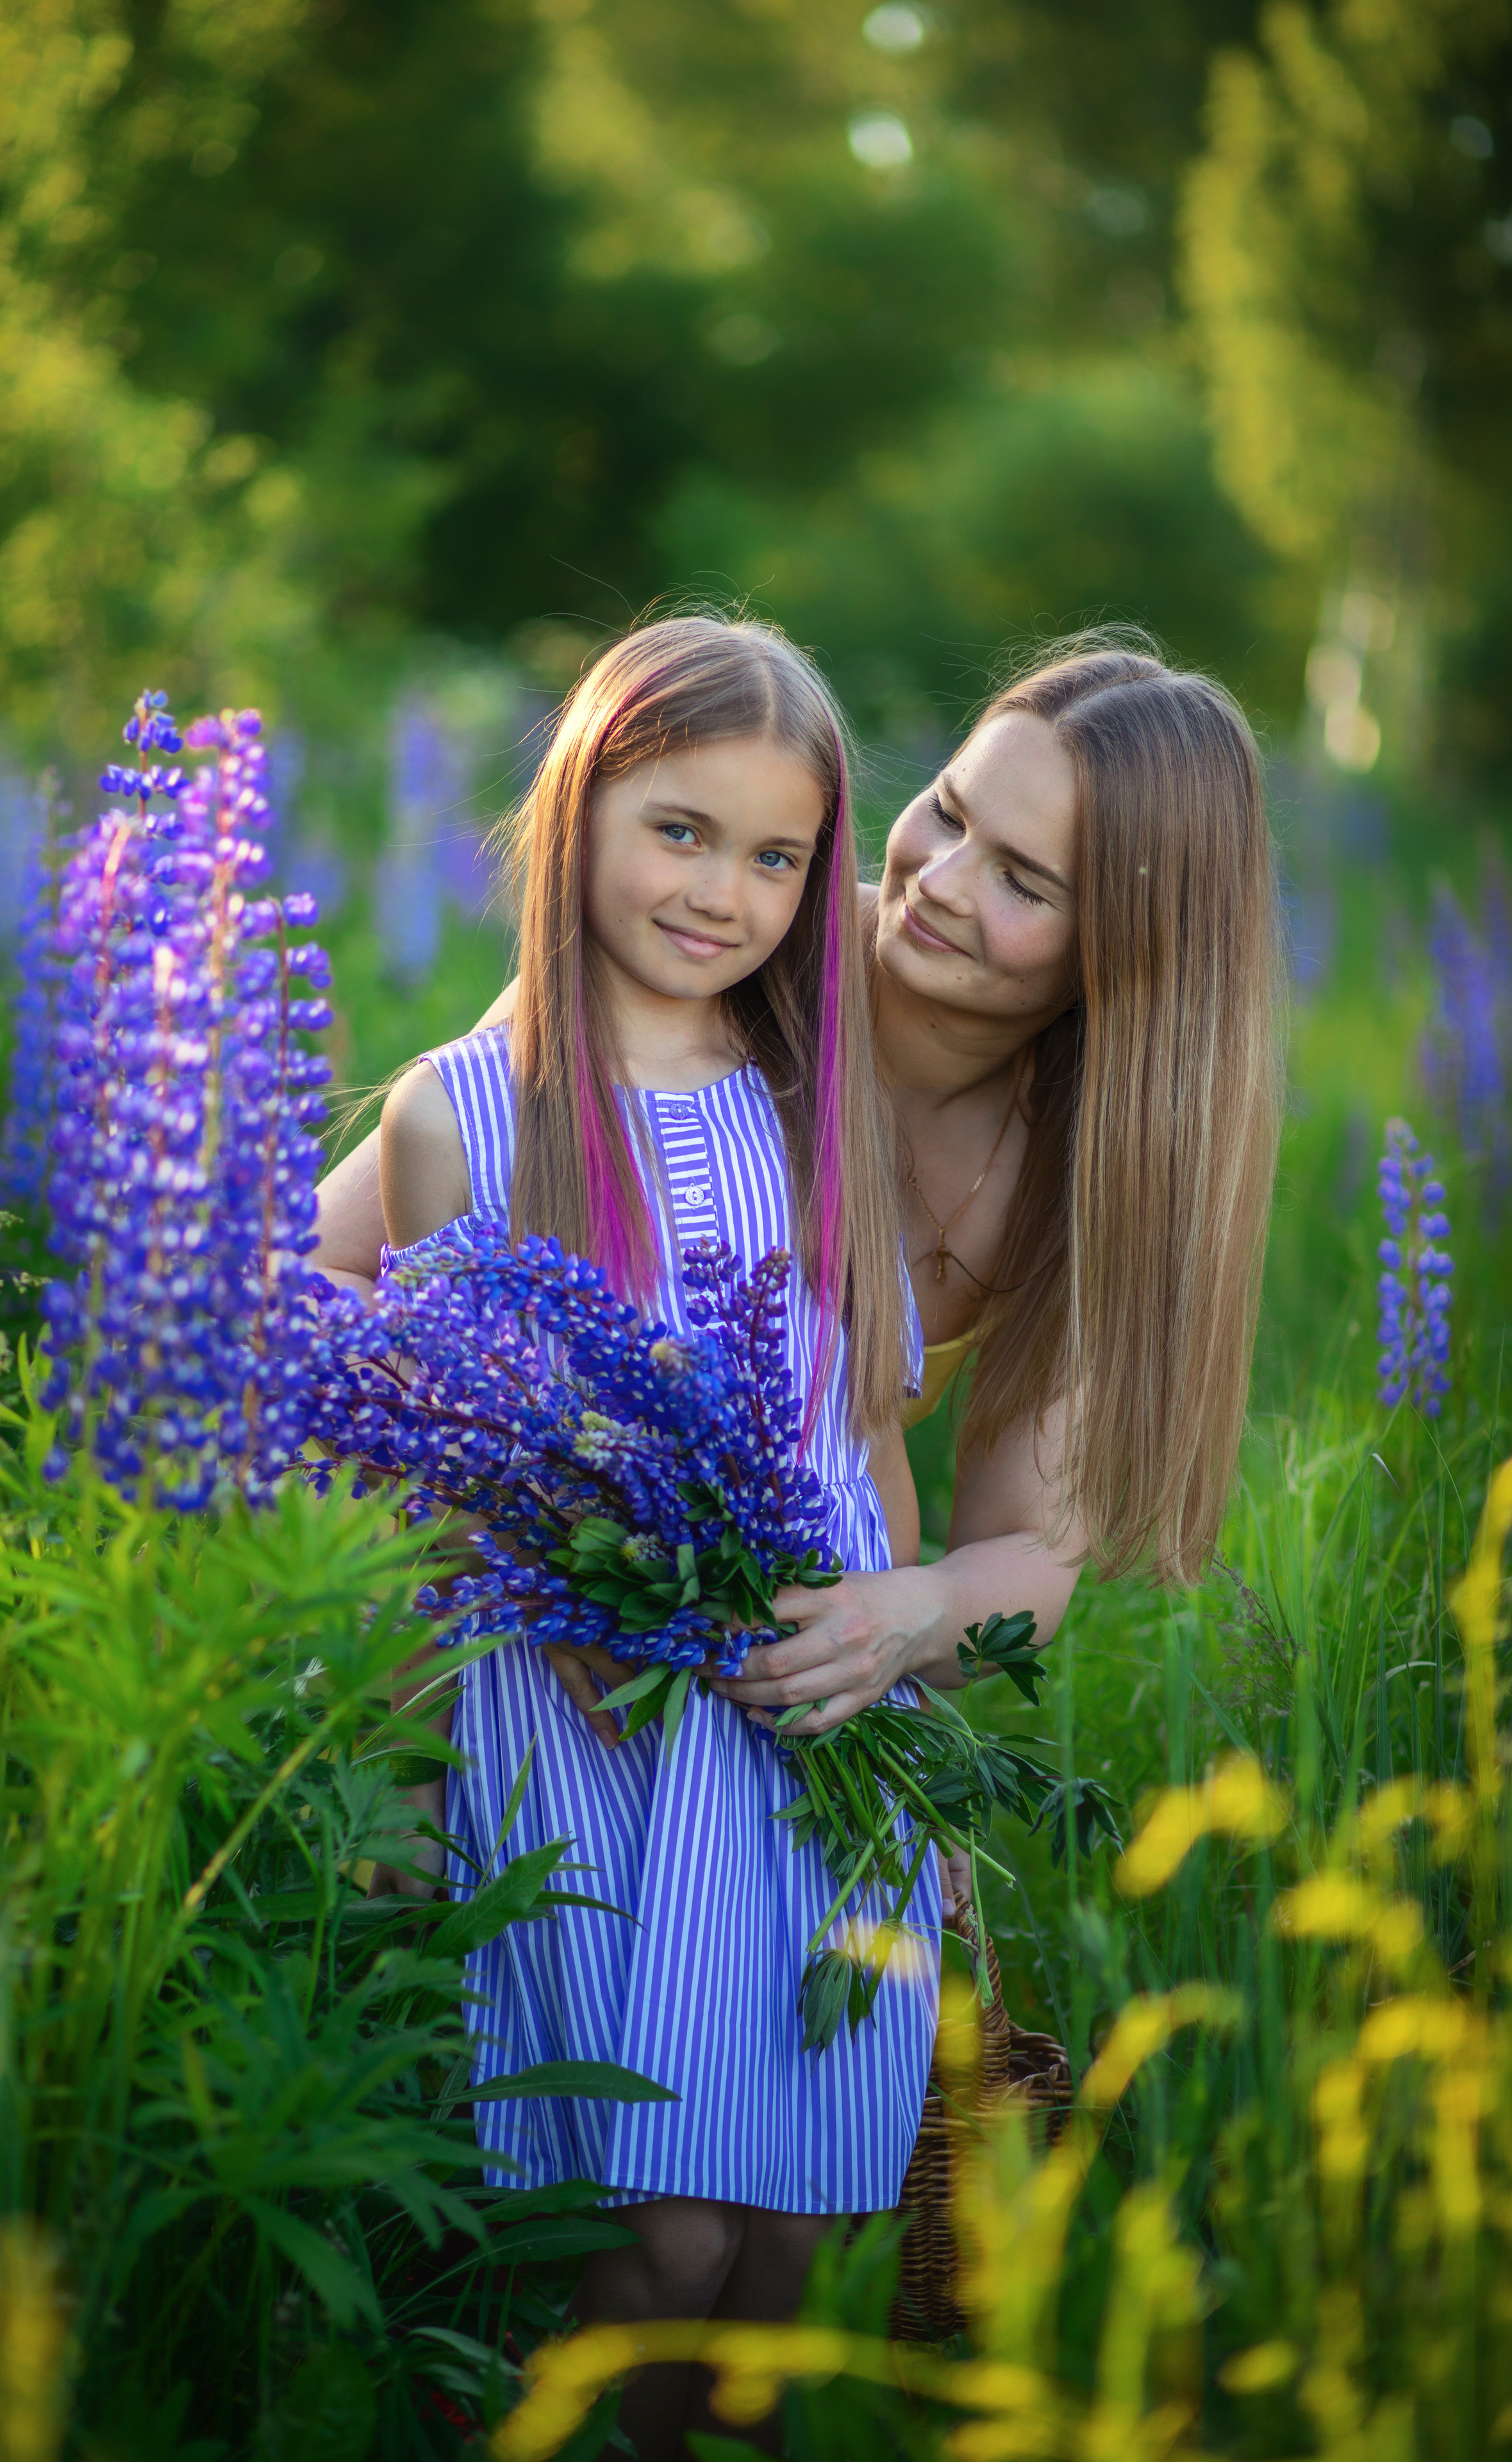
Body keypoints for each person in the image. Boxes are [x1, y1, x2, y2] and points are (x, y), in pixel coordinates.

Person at [317, 633, 1282, 1745]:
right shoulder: (709, 967)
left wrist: (907, 1630)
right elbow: (324, 1271)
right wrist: (531, 1501)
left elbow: (1022, 1549)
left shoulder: (1091, 1165)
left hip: (765, 1681)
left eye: (1023, 880)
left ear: (1128, 953)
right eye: (951, 813)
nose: (942, 882)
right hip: (542, 1647)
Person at [365, 614, 938, 2461]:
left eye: (778, 858)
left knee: (786, 2237)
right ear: (579, 807)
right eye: (681, 830)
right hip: (587, 1729)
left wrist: (909, 1652)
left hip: (817, 1726)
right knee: (652, 2231)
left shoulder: (815, 1103)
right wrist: (397, 1780)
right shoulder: (462, 1112)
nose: (727, 892)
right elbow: (410, 1487)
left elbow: (870, 1457)